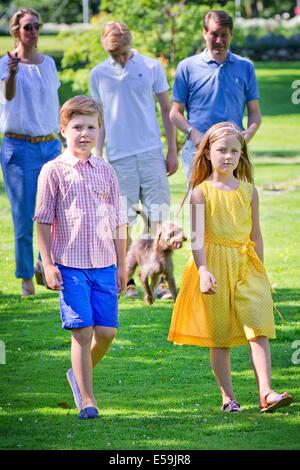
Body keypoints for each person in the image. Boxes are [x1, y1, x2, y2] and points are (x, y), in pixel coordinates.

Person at [168, 122, 293, 413]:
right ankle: (228, 398)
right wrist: (202, 270)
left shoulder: (249, 190)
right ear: (208, 153)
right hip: (214, 265)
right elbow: (197, 239)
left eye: (234, 151)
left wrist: (260, 269)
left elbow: (256, 234)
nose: (227, 156)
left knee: (258, 326)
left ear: (241, 155)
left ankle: (266, 393)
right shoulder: (200, 193)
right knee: (220, 336)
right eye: (221, 150)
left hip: (246, 265)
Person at [34, 96, 127, 419]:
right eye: (77, 127)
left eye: (91, 126)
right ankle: (87, 399)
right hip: (70, 265)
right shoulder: (53, 171)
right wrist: (47, 263)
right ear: (63, 130)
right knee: (82, 331)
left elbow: (119, 222)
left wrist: (122, 264)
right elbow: (43, 220)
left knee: (106, 333)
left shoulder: (107, 171)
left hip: (105, 265)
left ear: (100, 129)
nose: (84, 133)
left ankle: (77, 373)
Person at [90, 21, 178, 300]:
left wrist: (172, 149)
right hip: (118, 156)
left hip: (151, 152)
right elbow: (98, 117)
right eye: (113, 54)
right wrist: (98, 154)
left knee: (158, 218)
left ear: (129, 43)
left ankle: (162, 283)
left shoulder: (151, 67)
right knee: (121, 222)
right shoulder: (98, 74)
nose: (119, 58)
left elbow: (167, 109)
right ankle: (125, 280)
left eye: (122, 52)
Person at [0, 8, 62, 296]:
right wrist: (12, 73)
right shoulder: (6, 64)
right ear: (16, 31)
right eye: (28, 26)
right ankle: (26, 278)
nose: (33, 31)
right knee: (25, 215)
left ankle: (44, 266)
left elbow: (52, 102)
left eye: (37, 26)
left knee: (58, 213)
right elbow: (8, 95)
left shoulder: (48, 63)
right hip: (19, 146)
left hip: (50, 145)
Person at [170, 10, 261, 182]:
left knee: (235, 205)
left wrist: (245, 137)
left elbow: (254, 112)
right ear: (205, 33)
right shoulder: (187, 67)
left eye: (224, 35)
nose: (219, 40)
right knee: (199, 206)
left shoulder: (245, 67)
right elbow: (175, 113)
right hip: (198, 149)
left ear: (231, 35)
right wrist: (194, 134)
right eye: (214, 34)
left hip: (233, 151)